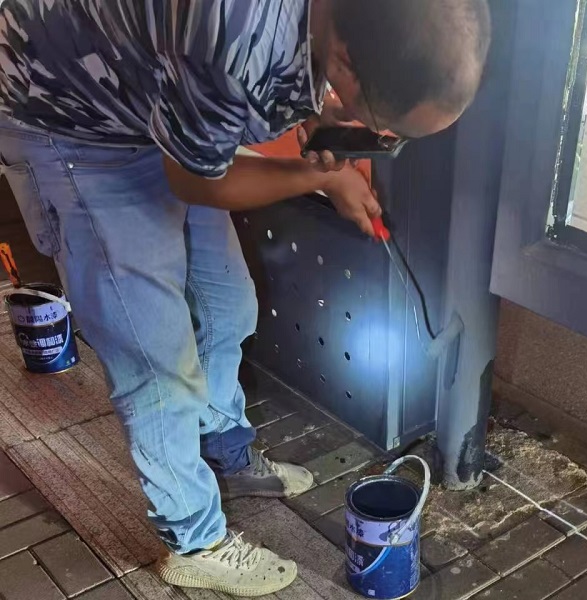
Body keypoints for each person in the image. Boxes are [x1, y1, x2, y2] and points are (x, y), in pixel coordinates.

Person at [0, 0, 491, 596]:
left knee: (227, 305)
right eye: (387, 125)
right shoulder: (232, 41)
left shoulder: (303, 39)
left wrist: (320, 111)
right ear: (346, 60)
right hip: (75, 122)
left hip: (158, 99)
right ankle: (193, 540)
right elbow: (195, 179)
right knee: (157, 362)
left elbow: (230, 107)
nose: (383, 139)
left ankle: (226, 454)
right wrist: (324, 175)